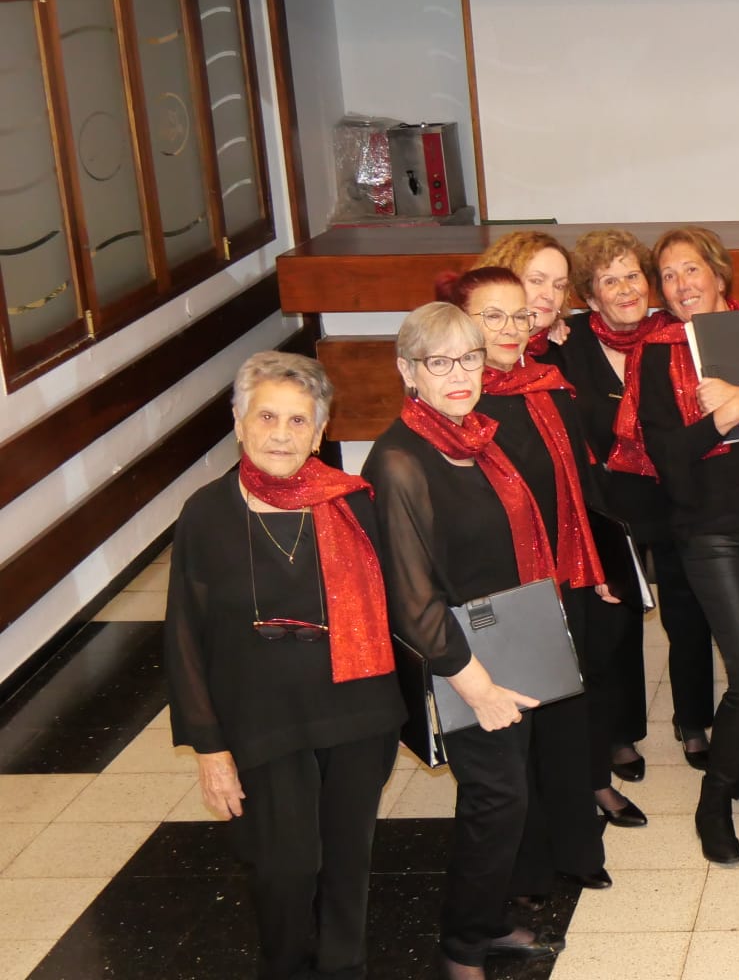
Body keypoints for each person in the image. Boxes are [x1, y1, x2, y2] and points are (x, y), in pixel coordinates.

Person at [364, 303, 596, 977]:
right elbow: (413, 603)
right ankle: (461, 946)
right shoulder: (401, 462)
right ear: (409, 371)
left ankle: (486, 921)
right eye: (439, 361)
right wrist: (478, 686)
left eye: (469, 357)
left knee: (502, 796)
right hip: (461, 660)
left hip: (507, 640)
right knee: (498, 798)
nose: (460, 373)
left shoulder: (474, 438)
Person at [165, 351, 405, 980]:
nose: (280, 433)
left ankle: (343, 968)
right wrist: (209, 747)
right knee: (286, 866)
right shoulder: (207, 515)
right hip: (263, 721)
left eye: (299, 421)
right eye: (266, 416)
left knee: (349, 859)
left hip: (358, 710)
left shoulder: (352, 503)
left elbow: (406, 602)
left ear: (320, 432)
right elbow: (184, 638)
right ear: (239, 423)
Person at [437, 265, 636, 844]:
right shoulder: (456, 408)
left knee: (566, 718)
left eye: (518, 315)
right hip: (496, 591)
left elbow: (583, 484)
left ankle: (573, 847)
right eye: (490, 316)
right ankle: (523, 857)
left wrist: (600, 565)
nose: (507, 328)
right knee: (510, 731)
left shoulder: (547, 386)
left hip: (563, 575)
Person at [638, 226, 739, 864]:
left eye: (691, 270)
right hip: (711, 533)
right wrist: (726, 415)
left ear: (719, 273)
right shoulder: (656, 356)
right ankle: (714, 800)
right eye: (670, 276)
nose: (682, 285)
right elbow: (669, 461)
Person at [552, 228, 715, 779]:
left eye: (632, 276)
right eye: (608, 281)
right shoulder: (566, 344)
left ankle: (694, 722)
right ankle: (621, 735)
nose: (624, 290)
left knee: (688, 617)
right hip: (609, 507)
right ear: (589, 296)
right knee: (616, 624)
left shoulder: (677, 335)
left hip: (676, 495)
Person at [471, 230, 577, 358]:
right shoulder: (471, 350)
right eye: (536, 281)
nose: (550, 295)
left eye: (559, 286)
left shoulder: (571, 350)